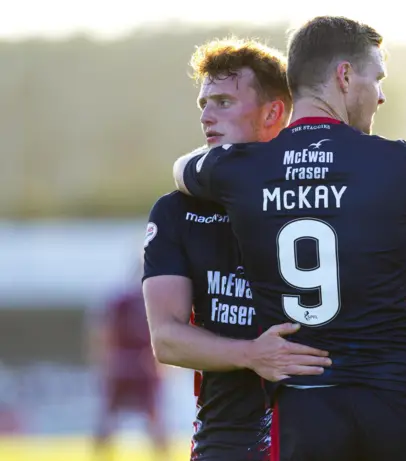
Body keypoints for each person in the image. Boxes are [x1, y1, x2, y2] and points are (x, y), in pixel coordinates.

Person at [172, 16, 406, 461]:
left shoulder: (241, 169)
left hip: (305, 401)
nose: (380, 94)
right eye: (376, 77)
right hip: (396, 395)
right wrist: (403, 221)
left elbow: (184, 169)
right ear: (344, 76)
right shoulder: (397, 163)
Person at [142, 38, 331, 461]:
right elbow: (167, 339)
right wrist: (252, 354)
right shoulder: (178, 209)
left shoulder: (323, 197)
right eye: (204, 103)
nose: (207, 115)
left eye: (224, 101)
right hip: (229, 437)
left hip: (326, 429)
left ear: (273, 113)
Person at [88, 266, 168, 461]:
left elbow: (102, 332)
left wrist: (104, 361)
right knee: (150, 418)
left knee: (111, 418)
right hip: (139, 364)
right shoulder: (149, 300)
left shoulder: (121, 300)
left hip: (126, 364)